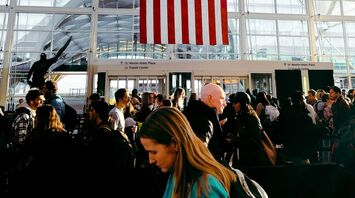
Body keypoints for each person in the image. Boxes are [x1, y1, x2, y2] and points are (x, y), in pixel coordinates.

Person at [139, 107, 236, 198]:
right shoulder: (177, 174)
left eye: (154, 152)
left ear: (175, 143)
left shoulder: (206, 188)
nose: (150, 160)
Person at [183, 83, 227, 163]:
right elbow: (198, 152)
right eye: (222, 98)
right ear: (209, 98)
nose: (225, 103)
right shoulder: (205, 121)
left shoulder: (191, 114)